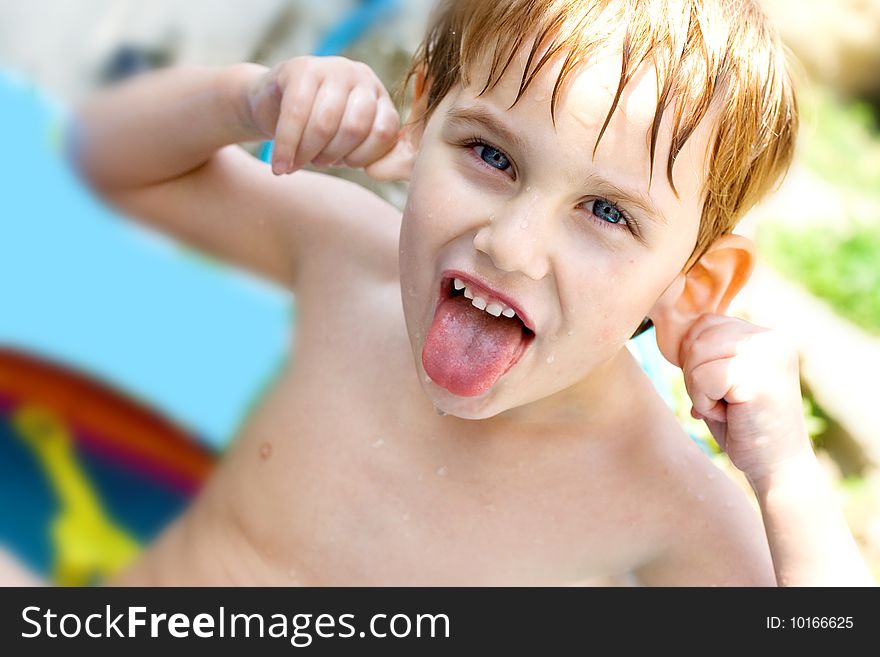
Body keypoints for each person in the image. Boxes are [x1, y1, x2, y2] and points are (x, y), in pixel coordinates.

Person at [66, 0, 871, 585]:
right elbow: (97, 159)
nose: (510, 245)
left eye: (605, 212)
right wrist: (248, 101)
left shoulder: (665, 506)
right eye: (491, 155)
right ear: (421, 115)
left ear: (693, 286)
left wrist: (790, 482)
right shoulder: (348, 262)